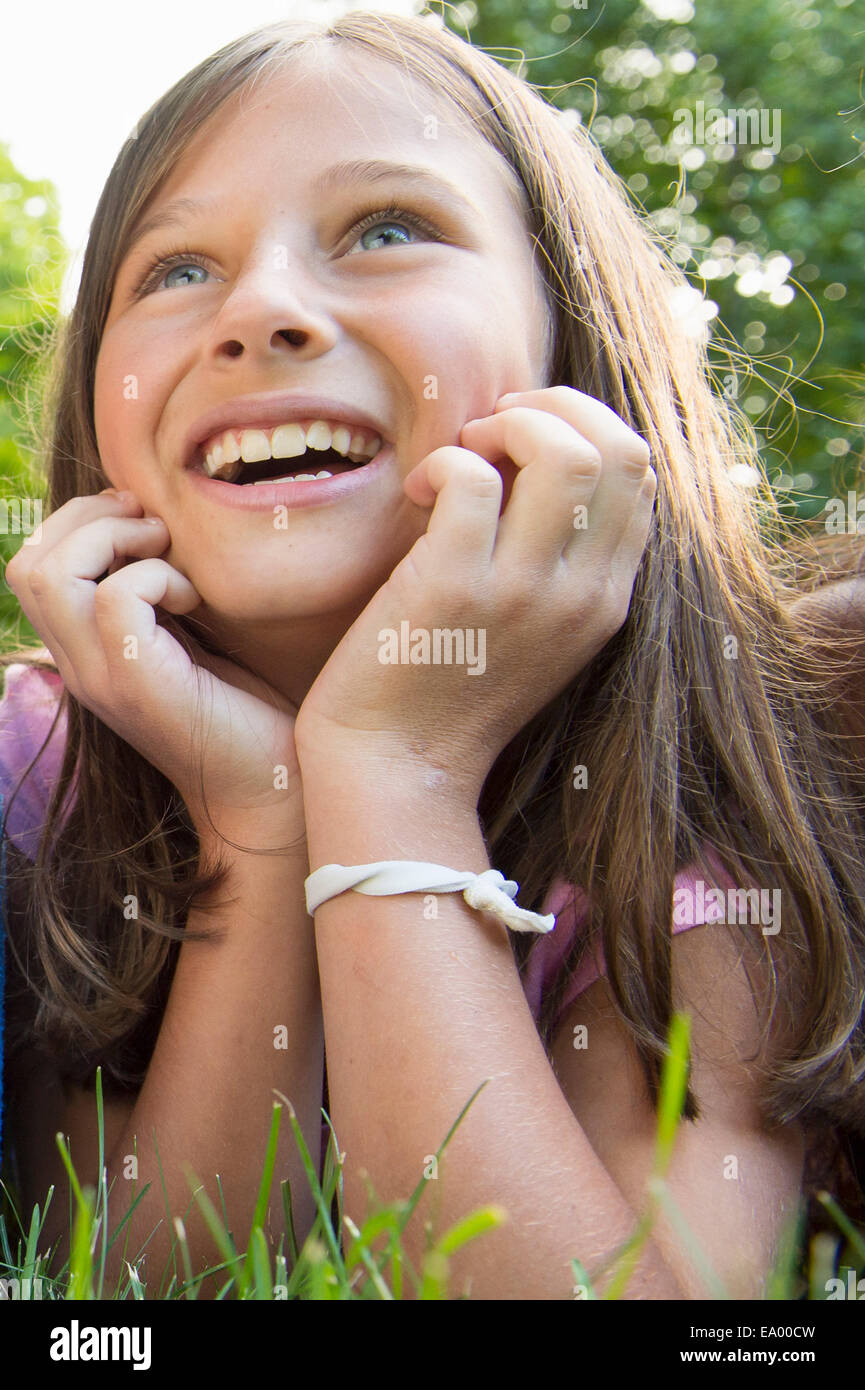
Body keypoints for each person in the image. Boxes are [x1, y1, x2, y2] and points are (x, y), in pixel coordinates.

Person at [2, 12, 864, 1301]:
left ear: (575, 345)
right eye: (173, 267)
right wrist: (261, 821)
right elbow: (123, 1312)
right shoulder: (36, 773)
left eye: (388, 231)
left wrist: (393, 771)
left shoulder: (735, 771)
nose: (263, 310)